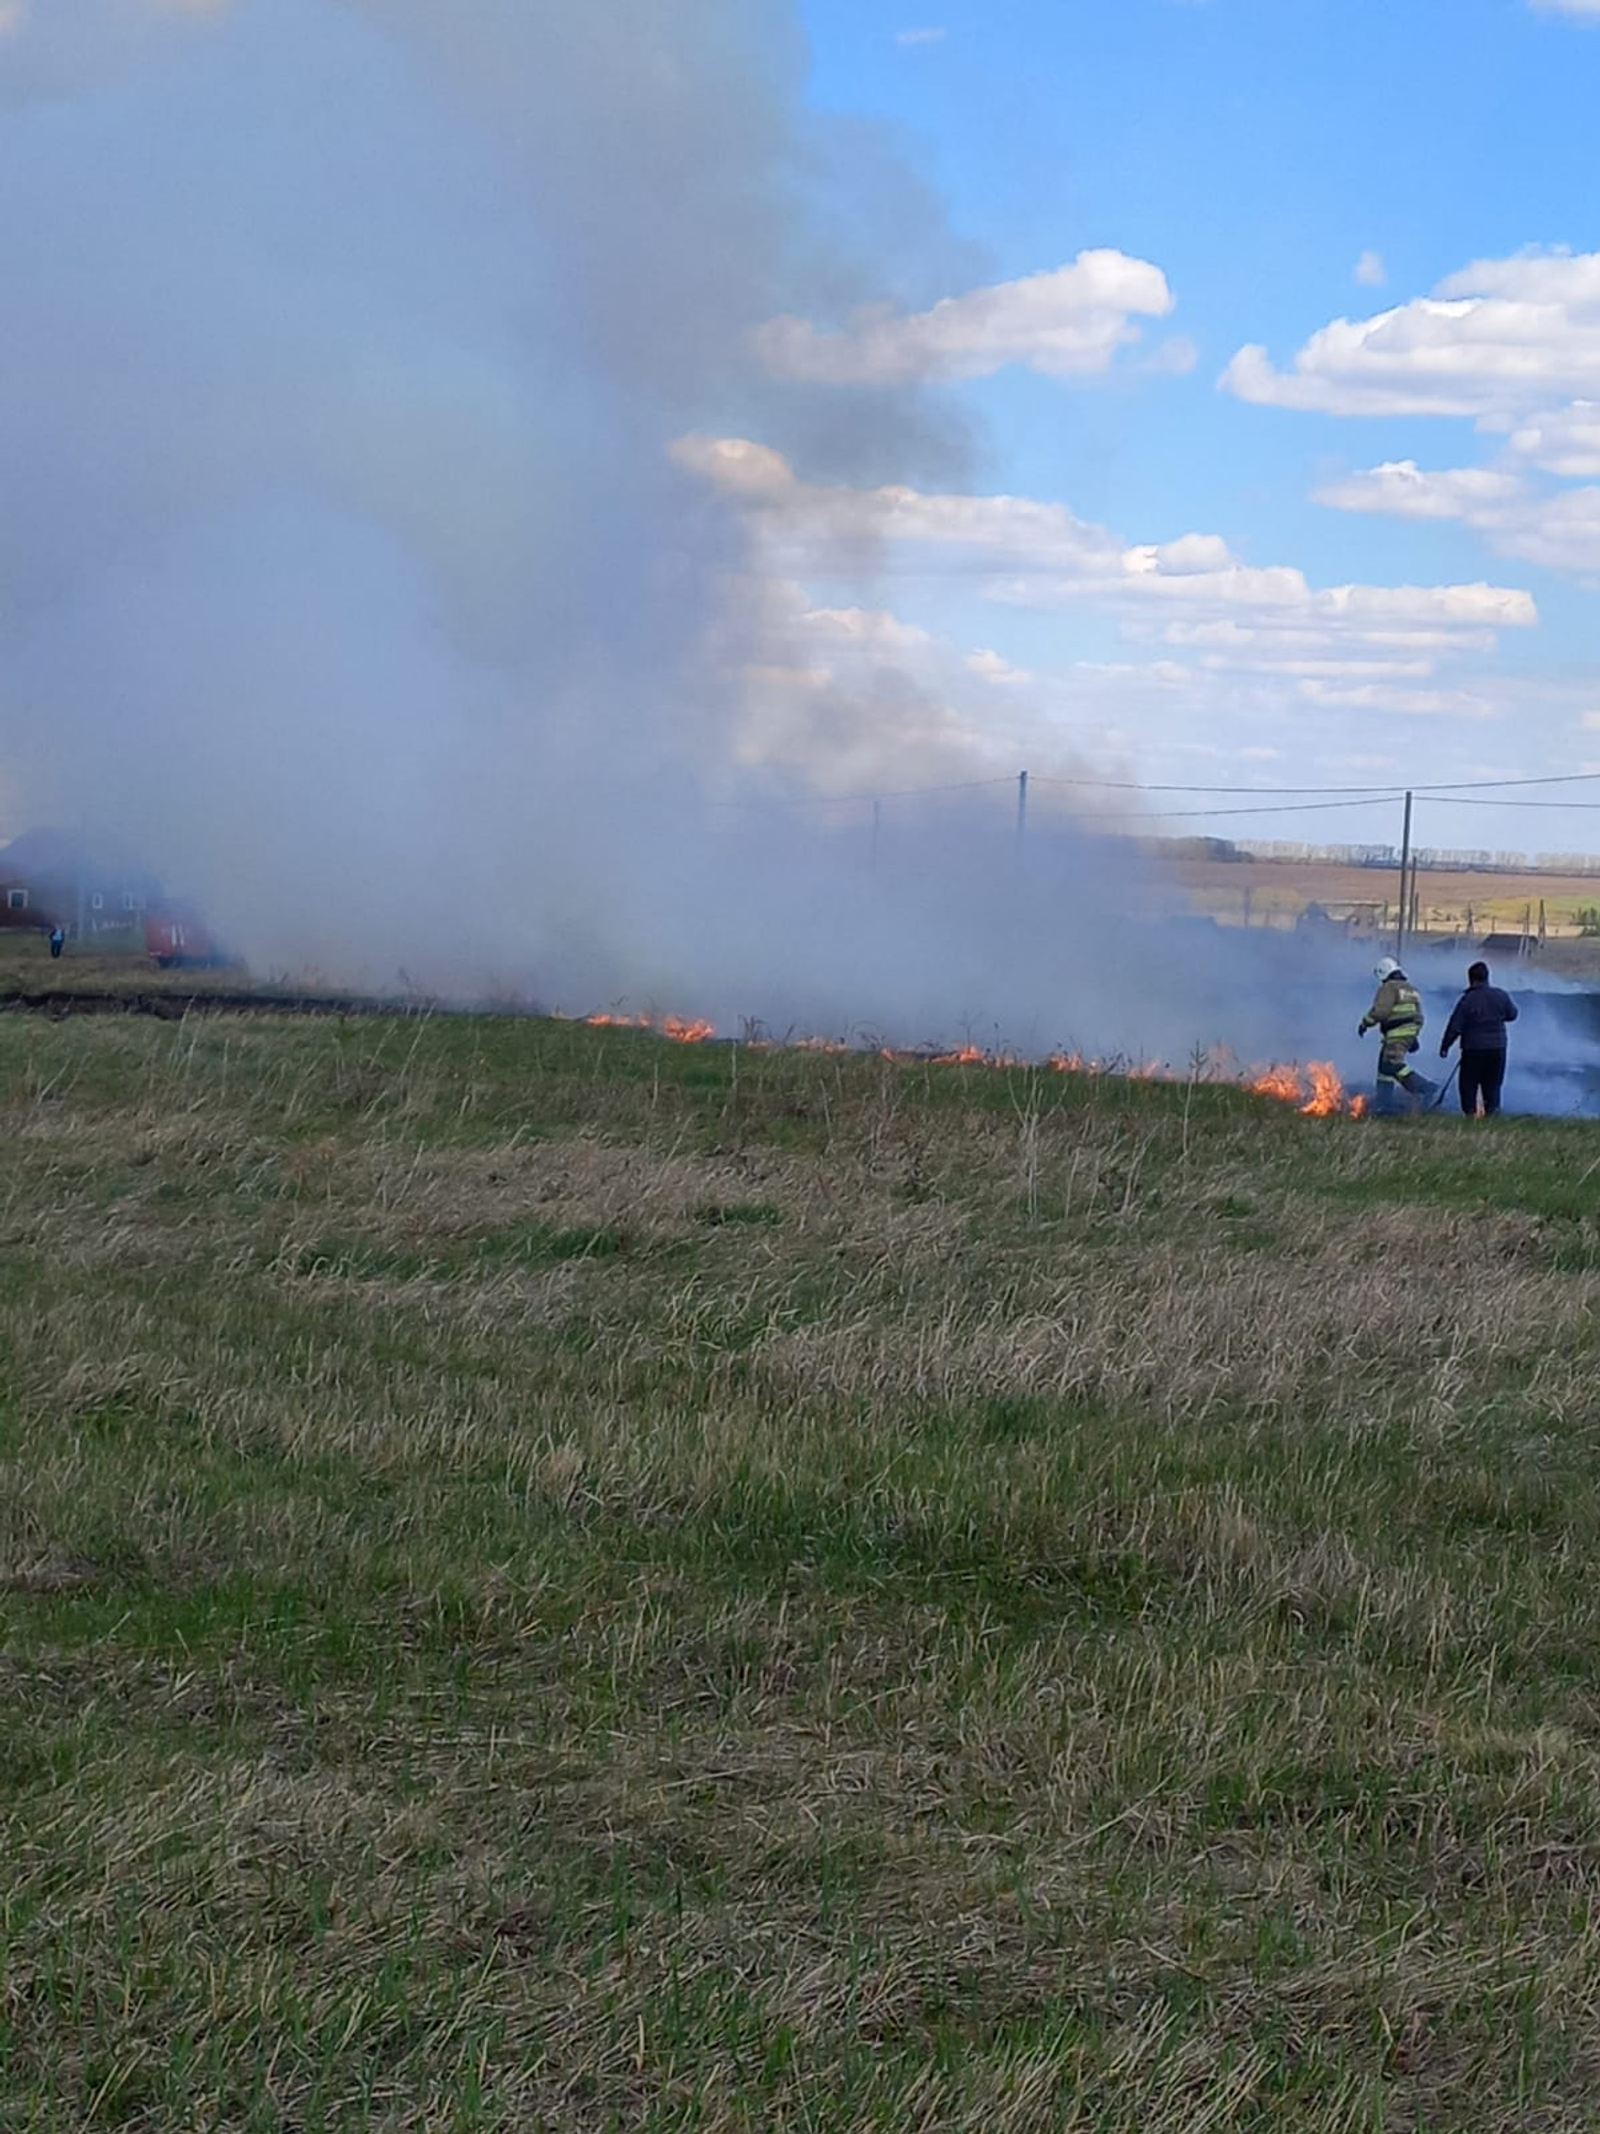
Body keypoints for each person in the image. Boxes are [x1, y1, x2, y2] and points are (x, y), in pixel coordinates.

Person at [1440, 960, 1518, 1117]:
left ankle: (1470, 1115)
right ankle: (1492, 1114)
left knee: (1468, 1085)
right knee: (1493, 1085)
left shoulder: (1468, 1000)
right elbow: (1513, 1014)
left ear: (1471, 979)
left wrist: (1445, 1046)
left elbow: (1455, 1025)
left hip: (1473, 1050)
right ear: (1487, 977)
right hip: (1498, 1048)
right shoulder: (1501, 995)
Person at [1358, 955, 1436, 1112]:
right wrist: (1413, 1036)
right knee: (1384, 1067)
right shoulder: (1411, 989)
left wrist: (1365, 1023)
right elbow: (1419, 1016)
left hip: (1395, 1033)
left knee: (1392, 1064)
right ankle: (1383, 1103)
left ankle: (1425, 1087)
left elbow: (1381, 1012)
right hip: (1407, 1033)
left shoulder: (1389, 987)